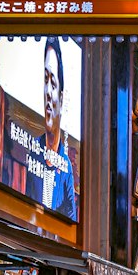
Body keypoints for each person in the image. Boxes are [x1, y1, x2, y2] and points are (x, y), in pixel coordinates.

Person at [26, 37, 78, 220]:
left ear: (61, 98)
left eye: (53, 83)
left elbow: (71, 217)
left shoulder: (66, 166)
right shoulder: (32, 151)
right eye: (45, 79)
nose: (48, 91)